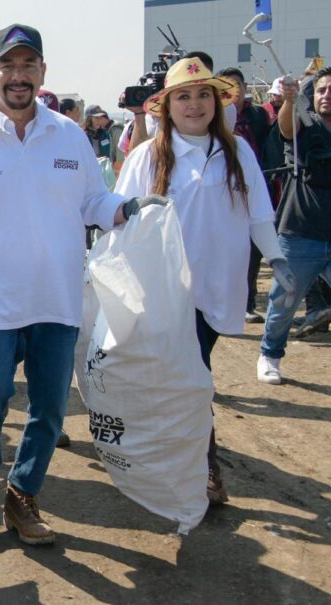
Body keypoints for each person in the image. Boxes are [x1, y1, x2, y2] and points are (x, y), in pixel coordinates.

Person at [0, 23, 151, 545]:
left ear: (43, 72)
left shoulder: (66, 134)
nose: (18, 77)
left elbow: (93, 200)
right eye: (8, 66)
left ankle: (23, 496)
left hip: (56, 297)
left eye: (28, 66)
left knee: (48, 408)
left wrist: (126, 208)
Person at [115, 57, 295, 503]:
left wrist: (278, 260)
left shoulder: (236, 151)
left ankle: (187, 457)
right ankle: (203, 463)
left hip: (217, 285)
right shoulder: (147, 155)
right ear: (167, 106)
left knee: (188, 375)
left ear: (216, 102)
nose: (194, 105)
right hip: (164, 290)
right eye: (183, 96)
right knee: (189, 376)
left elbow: (257, 215)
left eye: (202, 95)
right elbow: (119, 220)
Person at [258, 67, 331, 384]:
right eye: (322, 90)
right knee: (285, 301)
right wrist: (290, 99)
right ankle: (270, 354)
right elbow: (286, 129)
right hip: (300, 231)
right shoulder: (304, 124)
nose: (327, 95)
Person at [217, 67, 271, 324]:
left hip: (255, 186)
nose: (232, 91)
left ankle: (246, 303)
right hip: (223, 196)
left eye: (236, 85)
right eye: (226, 86)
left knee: (251, 251)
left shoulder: (259, 115)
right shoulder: (211, 119)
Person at [83, 104, 124, 169]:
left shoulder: (106, 135)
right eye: (96, 118)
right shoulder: (82, 136)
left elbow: (112, 155)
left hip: (105, 172)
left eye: (100, 117)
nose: (99, 120)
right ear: (89, 119)